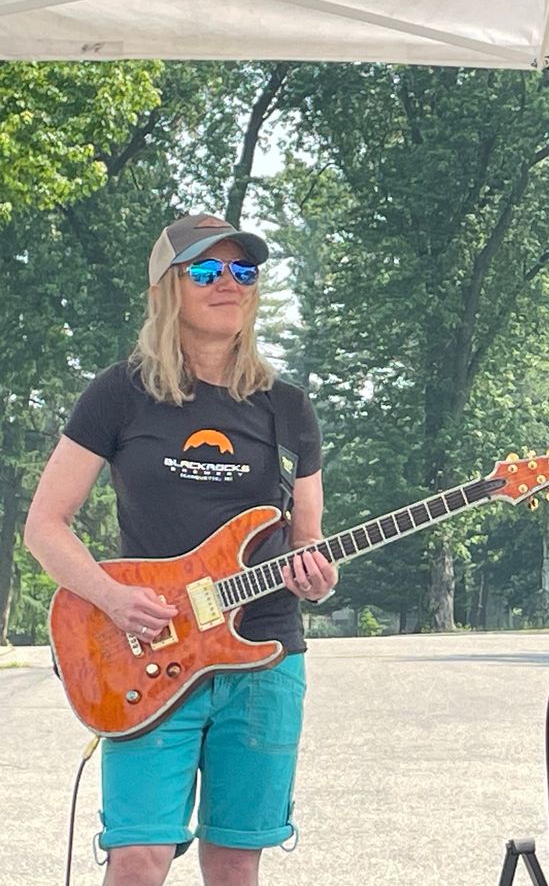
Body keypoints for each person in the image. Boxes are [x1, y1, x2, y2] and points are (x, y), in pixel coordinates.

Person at [24, 214, 337, 886]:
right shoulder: (118, 393)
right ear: (168, 288)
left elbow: (306, 540)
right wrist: (112, 598)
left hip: (262, 657)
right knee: (139, 859)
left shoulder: (288, 407)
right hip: (148, 653)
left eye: (243, 271)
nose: (228, 282)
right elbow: (45, 526)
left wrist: (315, 576)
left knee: (233, 864)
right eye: (206, 270)